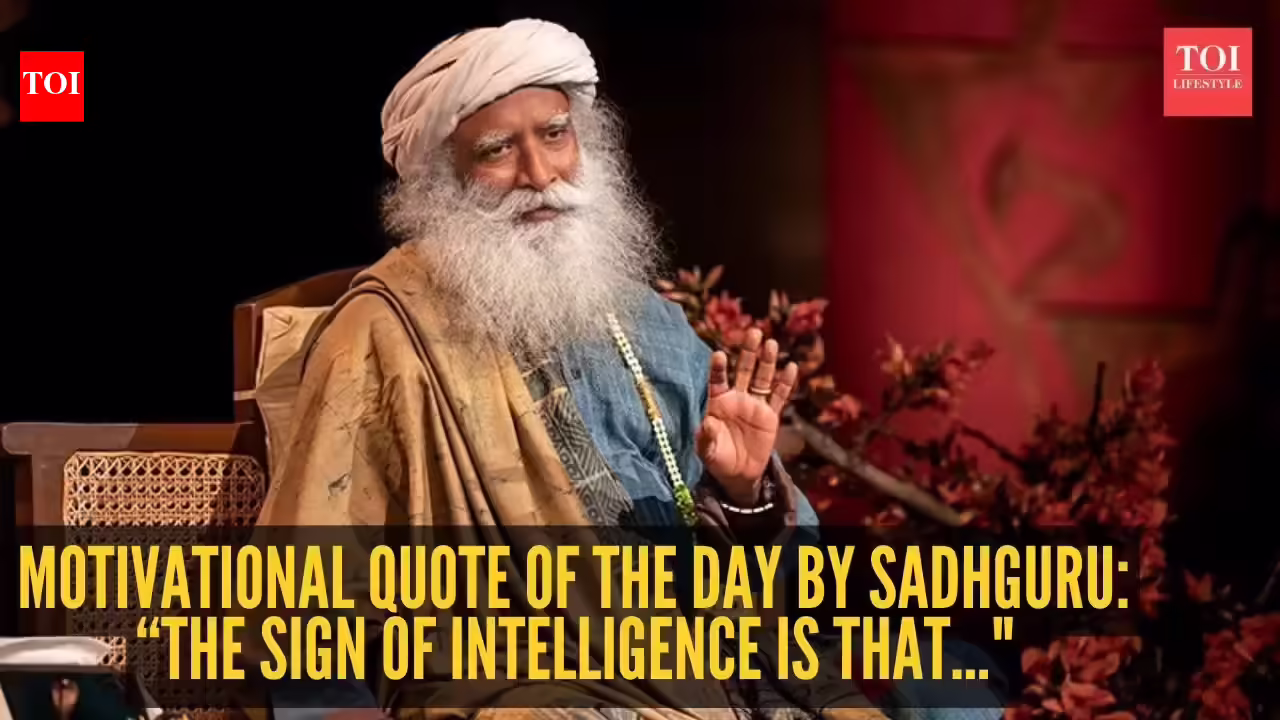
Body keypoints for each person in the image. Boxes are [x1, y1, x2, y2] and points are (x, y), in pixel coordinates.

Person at [254, 18, 1002, 720]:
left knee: (956, 682)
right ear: (443, 180)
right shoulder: (383, 333)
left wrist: (743, 493)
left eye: (555, 135)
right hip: (522, 682)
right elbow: (307, 585)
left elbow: (773, 584)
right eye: (496, 151)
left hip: (707, 662)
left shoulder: (647, 321)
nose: (539, 173)